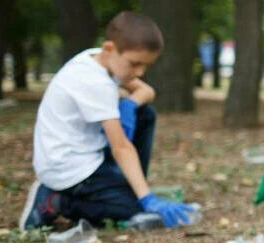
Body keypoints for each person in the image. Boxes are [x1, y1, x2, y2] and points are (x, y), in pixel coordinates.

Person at [20, 12, 198, 229]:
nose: (140, 72)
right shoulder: (95, 82)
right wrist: (146, 199)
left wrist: (129, 106)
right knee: (133, 209)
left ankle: (128, 185)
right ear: (109, 49)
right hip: (67, 167)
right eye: (134, 64)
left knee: (145, 113)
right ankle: (56, 201)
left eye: (145, 66)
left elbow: (147, 91)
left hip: (86, 153)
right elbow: (120, 148)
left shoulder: (98, 59)